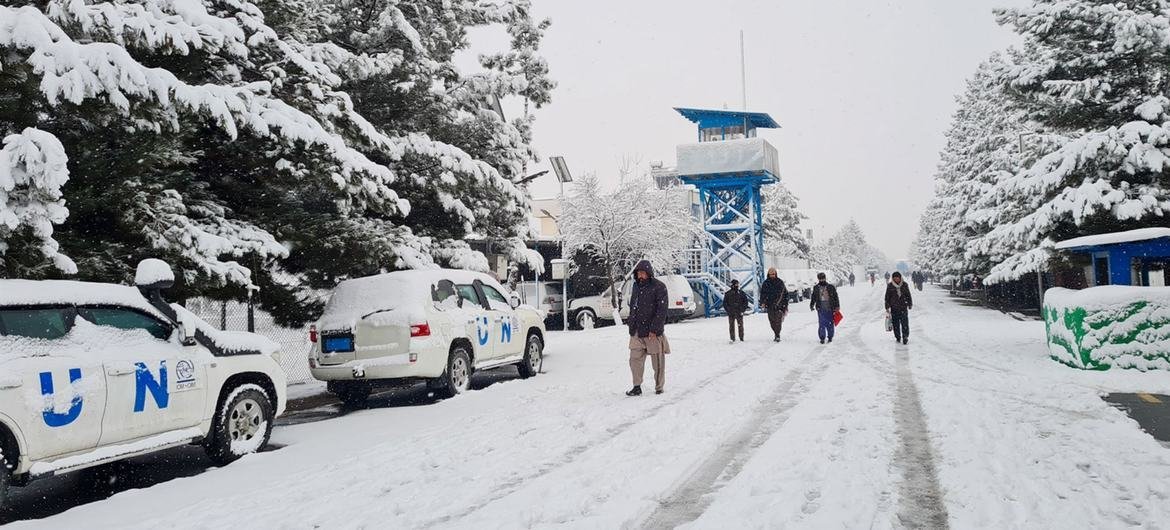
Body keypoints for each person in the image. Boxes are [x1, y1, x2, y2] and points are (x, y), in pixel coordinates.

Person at [626, 260, 669, 396]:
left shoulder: (659, 287)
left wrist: (655, 329)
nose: (641, 276)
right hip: (636, 331)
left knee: (658, 363)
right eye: (638, 273)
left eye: (643, 273)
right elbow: (633, 305)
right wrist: (631, 323)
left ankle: (659, 386)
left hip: (652, 332)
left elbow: (661, 310)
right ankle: (637, 386)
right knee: (635, 360)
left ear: (649, 273)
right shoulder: (636, 286)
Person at [759, 268, 789, 342]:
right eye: (771, 274)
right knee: (772, 321)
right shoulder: (766, 283)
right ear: (768, 275)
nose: (772, 275)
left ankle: (777, 335)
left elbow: (785, 294)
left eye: (773, 274)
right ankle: (776, 332)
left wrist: (785, 304)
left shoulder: (780, 282)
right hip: (769, 305)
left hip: (779, 305)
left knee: (778, 321)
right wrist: (762, 302)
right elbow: (763, 294)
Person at [809, 272, 840, 344]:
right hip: (821, 309)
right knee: (822, 324)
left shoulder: (831, 287)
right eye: (820, 279)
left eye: (823, 278)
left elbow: (836, 297)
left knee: (830, 324)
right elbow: (813, 297)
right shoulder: (816, 288)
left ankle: (830, 337)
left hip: (830, 308)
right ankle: (822, 337)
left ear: (825, 278)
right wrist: (812, 304)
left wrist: (837, 306)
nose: (822, 280)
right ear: (818, 279)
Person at [885, 271, 913, 344]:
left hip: (903, 307)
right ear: (893, 278)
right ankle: (897, 336)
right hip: (894, 308)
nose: (896, 279)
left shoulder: (904, 285)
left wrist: (910, 303)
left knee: (905, 323)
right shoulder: (890, 286)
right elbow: (887, 297)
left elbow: (908, 295)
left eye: (897, 278)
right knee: (896, 324)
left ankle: (905, 336)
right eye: (895, 278)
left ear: (900, 278)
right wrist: (887, 306)